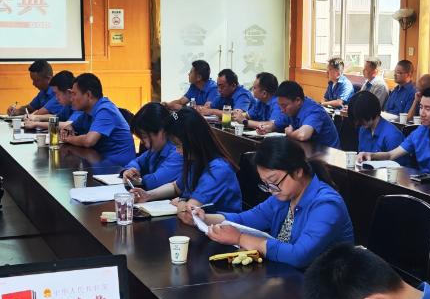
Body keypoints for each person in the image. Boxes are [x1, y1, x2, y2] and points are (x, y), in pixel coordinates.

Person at [195, 137, 354, 269]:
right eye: (266, 184)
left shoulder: (327, 205)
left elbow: (299, 255)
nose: (271, 190)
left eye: (274, 181)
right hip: (288, 275)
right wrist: (203, 218)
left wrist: (240, 238)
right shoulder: (283, 196)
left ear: (298, 171)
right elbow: (244, 219)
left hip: (328, 284)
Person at [130, 108, 242, 216]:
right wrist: (148, 195)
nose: (177, 151)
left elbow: (189, 211)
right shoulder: (196, 160)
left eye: (179, 145)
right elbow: (176, 187)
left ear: (194, 141)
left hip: (219, 226)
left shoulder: (218, 169)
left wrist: (182, 201)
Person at [359, 86, 430, 175]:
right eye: (421, 107)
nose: (422, 113)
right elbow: (391, 155)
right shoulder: (420, 131)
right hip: (422, 182)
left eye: (428, 109)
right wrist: (371, 155)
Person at [59, 73, 135, 165]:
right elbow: (71, 126)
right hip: (100, 161)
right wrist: (66, 130)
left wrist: (69, 139)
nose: (71, 99)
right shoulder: (88, 112)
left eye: (74, 94)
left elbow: (89, 141)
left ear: (88, 95)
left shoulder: (106, 110)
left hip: (118, 168)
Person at [121, 102, 184, 190]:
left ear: (162, 131)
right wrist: (130, 170)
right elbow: (137, 161)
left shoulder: (178, 152)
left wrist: (136, 178)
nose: (142, 142)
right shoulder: (155, 150)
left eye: (144, 137)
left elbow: (155, 182)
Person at [273, 80, 341, 148]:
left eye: (284, 106)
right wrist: (267, 126)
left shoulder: (314, 110)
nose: (282, 110)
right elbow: (274, 124)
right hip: (308, 150)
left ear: (298, 101)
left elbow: (303, 135)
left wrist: (290, 134)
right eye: (280, 106)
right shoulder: (290, 109)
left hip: (329, 152)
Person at [349, 91, 406, 164]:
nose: (358, 122)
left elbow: (400, 167)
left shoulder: (392, 136)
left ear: (370, 112)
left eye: (361, 118)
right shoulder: (363, 129)